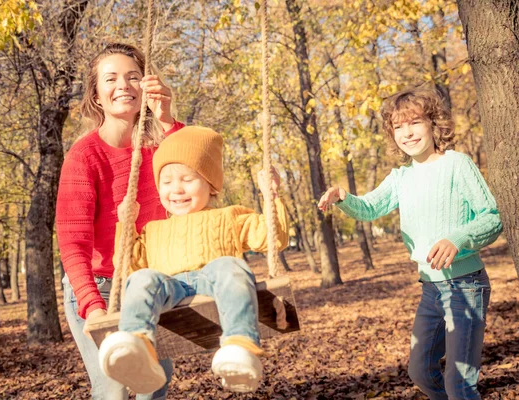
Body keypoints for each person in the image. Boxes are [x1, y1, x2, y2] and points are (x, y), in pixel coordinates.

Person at [318, 88, 503, 400]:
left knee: (459, 384)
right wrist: (342, 198)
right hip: (430, 290)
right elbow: (369, 208)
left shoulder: (457, 164)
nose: (407, 132)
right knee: (420, 372)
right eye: (398, 126)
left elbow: (492, 217)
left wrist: (457, 240)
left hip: (466, 286)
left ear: (434, 124)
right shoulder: (401, 176)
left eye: (414, 122)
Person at [98, 126, 289, 394]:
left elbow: (273, 238)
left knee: (230, 266)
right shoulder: (153, 230)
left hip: (215, 285)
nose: (176, 189)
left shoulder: (229, 216)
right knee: (142, 278)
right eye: (166, 182)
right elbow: (126, 265)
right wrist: (125, 224)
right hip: (170, 290)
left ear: (211, 184)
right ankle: (136, 344)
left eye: (187, 179)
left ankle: (239, 346)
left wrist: (272, 196)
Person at [56, 42, 184, 400]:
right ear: (96, 95)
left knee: (154, 383)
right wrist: (95, 311)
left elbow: (193, 174)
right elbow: (73, 244)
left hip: (150, 283)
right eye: (110, 79)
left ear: (146, 84)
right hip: (98, 286)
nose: (123, 85)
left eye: (132, 77)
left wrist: (167, 117)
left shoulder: (158, 146)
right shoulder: (84, 156)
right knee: (113, 389)